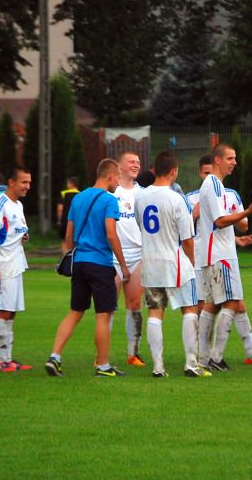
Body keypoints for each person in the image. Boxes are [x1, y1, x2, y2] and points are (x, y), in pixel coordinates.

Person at [45, 158, 131, 378]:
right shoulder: (109, 200)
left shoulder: (79, 198)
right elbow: (111, 234)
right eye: (118, 178)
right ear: (110, 176)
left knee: (75, 312)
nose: (118, 183)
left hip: (80, 261)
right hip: (100, 263)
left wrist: (77, 252)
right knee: (103, 314)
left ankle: (55, 356)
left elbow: (68, 236)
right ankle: (103, 365)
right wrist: (123, 265)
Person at [134, 151, 209, 377]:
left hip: (150, 263)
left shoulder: (141, 197)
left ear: (154, 170)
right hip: (175, 263)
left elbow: (141, 226)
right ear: (174, 171)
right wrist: (192, 262)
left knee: (155, 312)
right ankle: (191, 364)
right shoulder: (176, 199)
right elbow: (187, 239)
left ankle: (158, 367)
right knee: (189, 309)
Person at [198, 143, 252, 371]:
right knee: (230, 301)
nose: (235, 162)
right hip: (221, 255)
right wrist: (247, 212)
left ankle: (203, 357)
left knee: (211, 305)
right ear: (217, 160)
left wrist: (238, 234)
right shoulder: (215, 185)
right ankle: (215, 358)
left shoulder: (213, 185)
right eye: (230, 158)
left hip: (215, 253)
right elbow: (219, 221)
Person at [0, 166, 33, 372]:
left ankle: (8, 358)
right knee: (3, 311)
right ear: (11, 182)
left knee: (11, 311)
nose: (27, 186)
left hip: (16, 263)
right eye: (23, 182)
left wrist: (23, 235)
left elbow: (12, 231)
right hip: (1, 264)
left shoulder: (17, 205)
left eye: (29, 182)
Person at [111, 152, 146, 367]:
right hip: (113, 257)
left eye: (138, 162)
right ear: (119, 166)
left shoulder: (143, 194)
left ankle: (133, 352)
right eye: (131, 161)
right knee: (108, 306)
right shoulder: (111, 193)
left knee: (134, 304)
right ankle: (101, 355)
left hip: (137, 256)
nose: (136, 165)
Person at [58, 176, 80, 253]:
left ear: (71, 184)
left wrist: (59, 220)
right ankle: (74, 256)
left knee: (64, 240)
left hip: (65, 220)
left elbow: (60, 208)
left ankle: (66, 257)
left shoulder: (64, 193)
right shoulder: (81, 194)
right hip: (77, 221)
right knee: (75, 239)